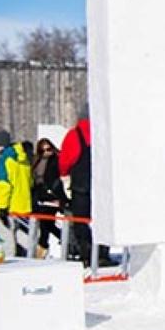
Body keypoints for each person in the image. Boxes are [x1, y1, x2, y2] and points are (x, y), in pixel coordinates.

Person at [59, 108, 116, 268]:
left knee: (81, 221)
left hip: (81, 185)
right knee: (102, 220)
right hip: (102, 185)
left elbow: (65, 160)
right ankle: (103, 254)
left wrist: (64, 175)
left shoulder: (74, 135)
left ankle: (87, 254)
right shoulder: (105, 133)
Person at [0, 129, 33, 257]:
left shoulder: (3, 161)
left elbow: (4, 185)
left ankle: (9, 268)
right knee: (24, 241)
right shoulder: (24, 159)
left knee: (7, 240)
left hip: (10, 206)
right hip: (24, 205)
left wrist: (2, 206)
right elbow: (30, 182)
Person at [31, 137, 69, 259]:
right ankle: (61, 240)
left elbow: (56, 180)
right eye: (44, 150)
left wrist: (59, 197)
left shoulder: (55, 161)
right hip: (40, 195)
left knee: (46, 224)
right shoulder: (37, 161)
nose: (47, 152)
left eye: (49, 149)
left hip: (52, 195)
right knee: (45, 224)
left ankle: (44, 247)